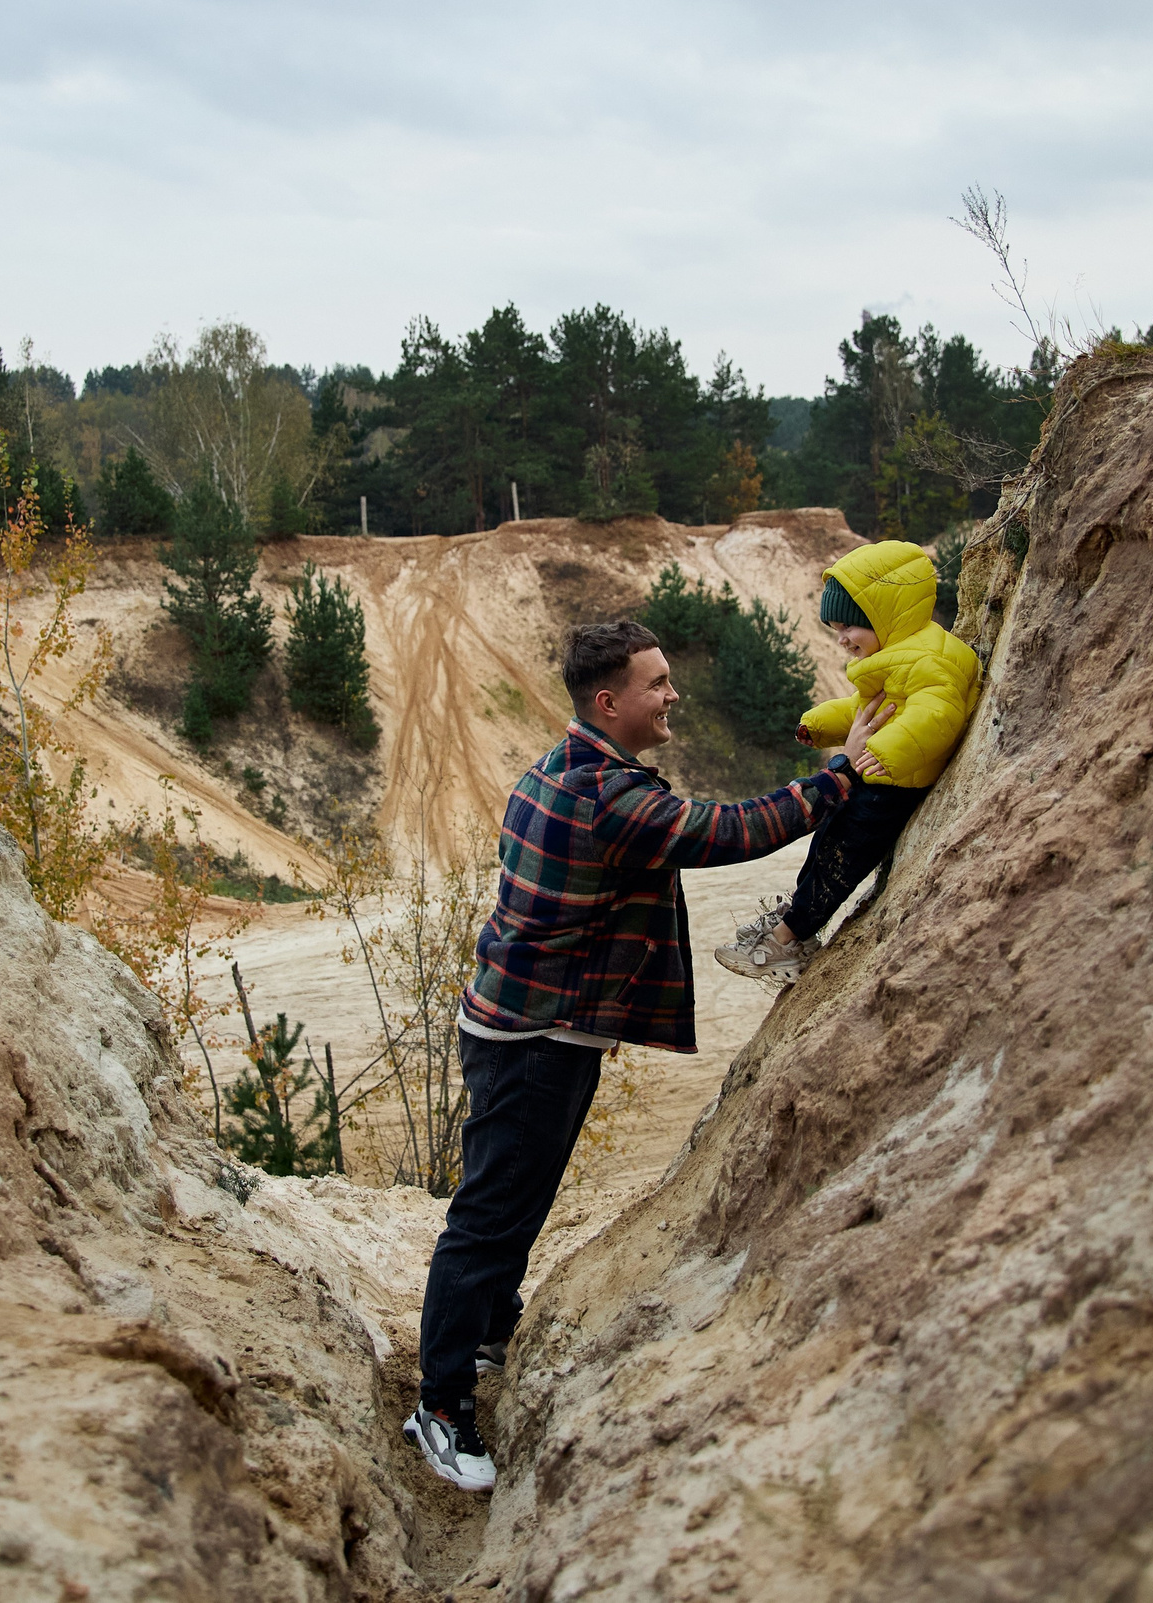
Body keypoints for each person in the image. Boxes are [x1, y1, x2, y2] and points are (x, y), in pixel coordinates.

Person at [403, 619, 895, 1492]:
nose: (673, 694)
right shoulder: (609, 796)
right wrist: (840, 777)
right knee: (490, 1214)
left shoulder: (564, 765)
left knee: (513, 1198)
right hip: (536, 1036)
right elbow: (724, 831)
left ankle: (485, 1330)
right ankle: (439, 1405)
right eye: (657, 682)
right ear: (609, 701)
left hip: (523, 1024)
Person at [714, 539, 980, 986]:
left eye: (849, 626)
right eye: (835, 628)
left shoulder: (931, 659)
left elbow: (937, 715)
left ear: (886, 616)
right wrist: (819, 725)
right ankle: (794, 920)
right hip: (881, 776)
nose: (841, 639)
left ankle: (788, 938)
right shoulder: (899, 655)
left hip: (894, 785)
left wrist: (882, 751)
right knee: (827, 838)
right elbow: (862, 710)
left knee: (843, 853)